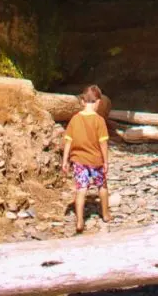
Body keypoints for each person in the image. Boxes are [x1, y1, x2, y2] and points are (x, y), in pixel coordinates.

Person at [62, 84, 111, 233]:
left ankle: (79, 221)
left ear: (83, 101)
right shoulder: (99, 121)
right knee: (102, 186)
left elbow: (68, 141)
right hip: (96, 160)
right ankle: (106, 214)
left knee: (81, 189)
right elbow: (103, 143)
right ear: (98, 102)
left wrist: (65, 161)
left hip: (78, 160)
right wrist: (105, 161)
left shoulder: (74, 120)